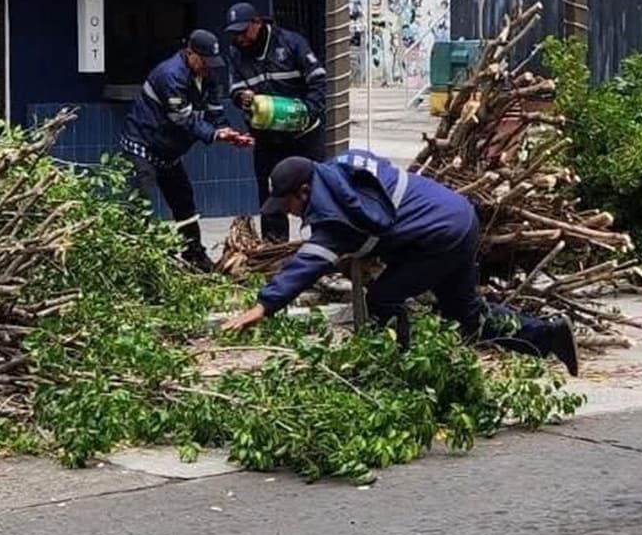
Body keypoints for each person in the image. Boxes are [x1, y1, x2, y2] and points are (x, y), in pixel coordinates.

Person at [219, 151, 580, 376]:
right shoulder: (340, 170)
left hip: (440, 236)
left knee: (382, 299)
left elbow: (308, 264)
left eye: (288, 206)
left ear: (303, 192)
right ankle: (550, 335)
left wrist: (264, 306)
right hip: (458, 217)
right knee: (466, 314)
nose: (289, 213)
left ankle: (395, 373)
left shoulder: (334, 215)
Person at [120, 29, 252, 272]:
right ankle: (140, 266)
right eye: (203, 61)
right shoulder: (170, 75)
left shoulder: (208, 76)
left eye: (211, 63)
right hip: (143, 146)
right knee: (142, 207)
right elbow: (182, 118)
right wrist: (214, 135)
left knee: (184, 201)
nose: (207, 67)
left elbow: (215, 111)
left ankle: (194, 255)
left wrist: (228, 132)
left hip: (170, 152)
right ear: (190, 53)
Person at [224, 1, 327, 243]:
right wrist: (243, 98)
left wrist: (308, 113)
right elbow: (235, 91)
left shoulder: (291, 43)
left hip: (304, 138)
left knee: (316, 193)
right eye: (235, 33)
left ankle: (323, 252)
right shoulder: (236, 53)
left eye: (243, 31)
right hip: (268, 139)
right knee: (271, 196)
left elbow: (318, 82)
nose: (240, 38)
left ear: (257, 23)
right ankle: (275, 254)